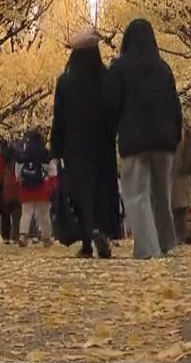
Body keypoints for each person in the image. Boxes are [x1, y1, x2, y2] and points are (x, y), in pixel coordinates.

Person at [104, 18, 182, 259]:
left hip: (135, 141)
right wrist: (175, 135)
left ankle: (148, 249)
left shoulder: (120, 68)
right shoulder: (164, 69)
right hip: (165, 143)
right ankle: (167, 243)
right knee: (162, 197)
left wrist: (115, 130)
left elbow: (111, 104)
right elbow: (175, 106)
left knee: (137, 197)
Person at [50, 29, 121, 259]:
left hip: (75, 146)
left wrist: (56, 148)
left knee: (80, 191)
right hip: (103, 144)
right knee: (103, 188)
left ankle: (87, 238)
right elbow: (114, 111)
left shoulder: (66, 82)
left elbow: (58, 117)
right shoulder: (106, 77)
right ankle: (102, 228)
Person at [16, 128, 55, 247]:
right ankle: (47, 237)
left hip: (27, 186)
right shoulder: (46, 154)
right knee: (44, 213)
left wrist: (19, 181)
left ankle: (23, 235)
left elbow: (18, 171)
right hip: (42, 185)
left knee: (26, 212)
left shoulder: (24, 154)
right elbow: (52, 171)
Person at [0, 138, 21, 243]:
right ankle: (15, 235)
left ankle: (5, 236)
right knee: (17, 214)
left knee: (5, 214)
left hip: (5, 190)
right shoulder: (16, 162)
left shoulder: (1, 161)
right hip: (16, 191)